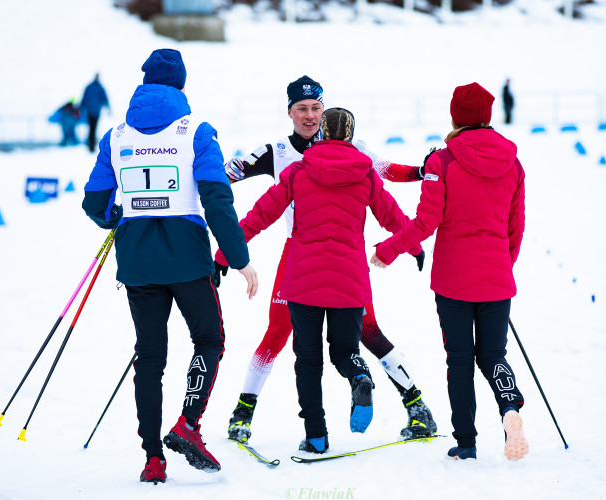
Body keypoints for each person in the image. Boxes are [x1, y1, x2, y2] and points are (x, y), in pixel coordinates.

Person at [215, 75, 437, 445]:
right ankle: (243, 413)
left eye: (316, 108)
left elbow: (389, 173)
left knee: (366, 334)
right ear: (289, 112)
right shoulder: (276, 151)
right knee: (278, 334)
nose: (310, 116)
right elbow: (227, 176)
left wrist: (420, 171)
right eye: (301, 109)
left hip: (317, 262)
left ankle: (415, 407)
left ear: (324, 109)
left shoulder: (354, 148)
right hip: (312, 258)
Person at [82, 48, 258, 484]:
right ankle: (188, 423)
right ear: (180, 84)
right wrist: (240, 260)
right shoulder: (196, 131)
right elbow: (217, 200)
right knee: (210, 339)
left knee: (150, 357)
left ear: (144, 83)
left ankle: (153, 459)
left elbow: (93, 202)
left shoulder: (116, 135)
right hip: (188, 260)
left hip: (138, 262)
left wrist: (115, 217)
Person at [371, 82, 529, 462]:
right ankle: (510, 409)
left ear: (456, 116)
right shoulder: (514, 162)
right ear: (489, 116)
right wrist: (500, 267)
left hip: (454, 280)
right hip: (495, 278)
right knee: (493, 355)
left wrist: (388, 250)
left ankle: (466, 443)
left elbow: (426, 222)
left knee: (459, 360)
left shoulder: (442, 162)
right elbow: (515, 226)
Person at [80, 73, 110, 153]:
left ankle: (90, 145)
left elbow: (84, 98)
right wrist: (108, 107)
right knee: (93, 128)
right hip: (96, 112)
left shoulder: (89, 87)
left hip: (89, 111)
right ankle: (91, 145)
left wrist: (81, 107)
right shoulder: (100, 88)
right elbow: (105, 99)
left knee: (91, 128)